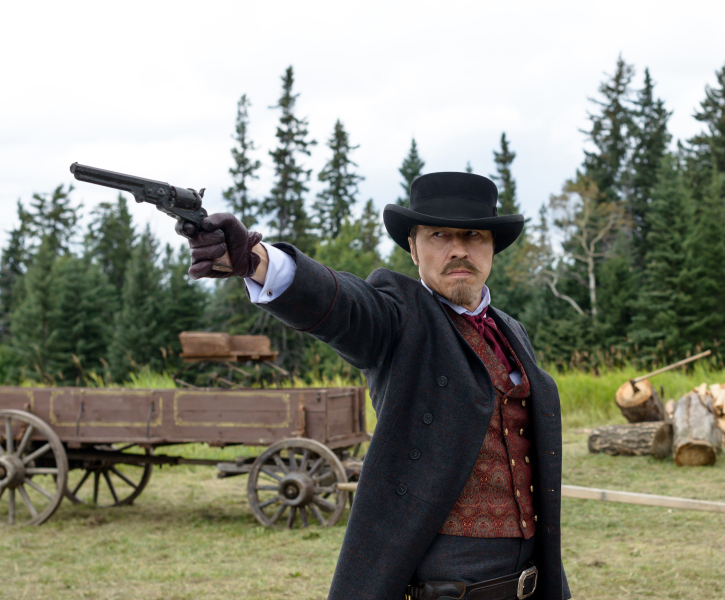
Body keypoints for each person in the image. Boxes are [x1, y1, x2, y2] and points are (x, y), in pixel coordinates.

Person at [188, 172, 571, 600]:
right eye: (439, 235)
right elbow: (346, 306)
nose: (459, 249)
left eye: (473, 235)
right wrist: (256, 260)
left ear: (492, 248)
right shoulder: (400, 315)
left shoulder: (511, 331)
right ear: (413, 247)